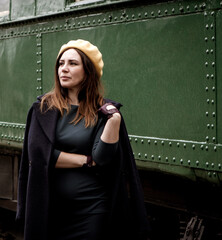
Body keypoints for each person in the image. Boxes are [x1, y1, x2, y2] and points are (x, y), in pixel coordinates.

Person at [16, 39, 150, 240]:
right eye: (61, 64)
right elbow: (40, 156)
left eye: (72, 63)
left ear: (88, 71)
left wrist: (114, 120)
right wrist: (86, 161)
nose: (64, 69)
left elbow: (103, 158)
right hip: (50, 210)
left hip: (92, 211)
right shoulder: (43, 109)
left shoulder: (103, 112)